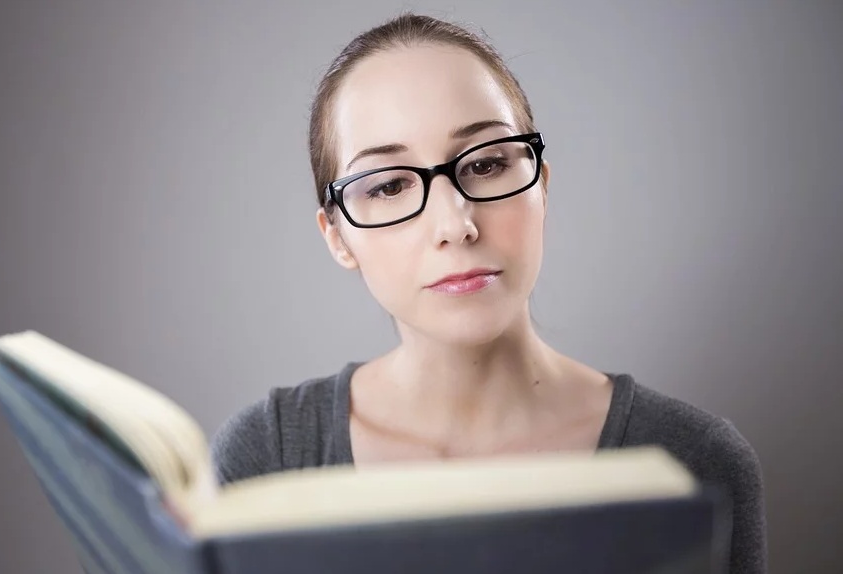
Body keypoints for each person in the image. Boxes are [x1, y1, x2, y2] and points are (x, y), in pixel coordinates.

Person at [211, 12, 767, 573]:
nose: (455, 223)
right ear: (338, 236)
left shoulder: (693, 463)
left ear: (541, 187)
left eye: (486, 163)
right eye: (388, 185)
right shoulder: (268, 458)